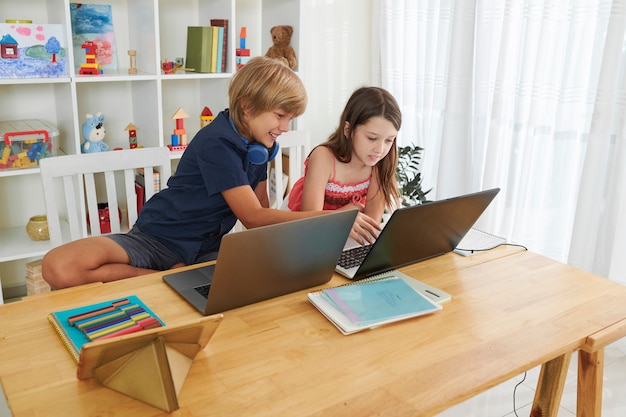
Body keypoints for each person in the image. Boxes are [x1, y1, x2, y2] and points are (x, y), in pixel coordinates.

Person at [43, 57, 379, 289]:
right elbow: (254, 215)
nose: (284, 127)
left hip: (209, 251)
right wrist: (332, 220)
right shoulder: (216, 143)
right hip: (160, 238)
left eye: (290, 119)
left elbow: (257, 218)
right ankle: (163, 276)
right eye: (279, 116)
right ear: (247, 106)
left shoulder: (260, 144)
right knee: (58, 267)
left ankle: (182, 275)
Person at [287, 86, 401, 244]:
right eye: (372, 138)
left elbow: (370, 225)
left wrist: (345, 217)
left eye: (389, 140)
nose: (380, 149)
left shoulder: (378, 164)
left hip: (341, 239)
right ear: (348, 130)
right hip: (301, 236)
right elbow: (310, 222)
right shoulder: (323, 157)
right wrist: (350, 213)